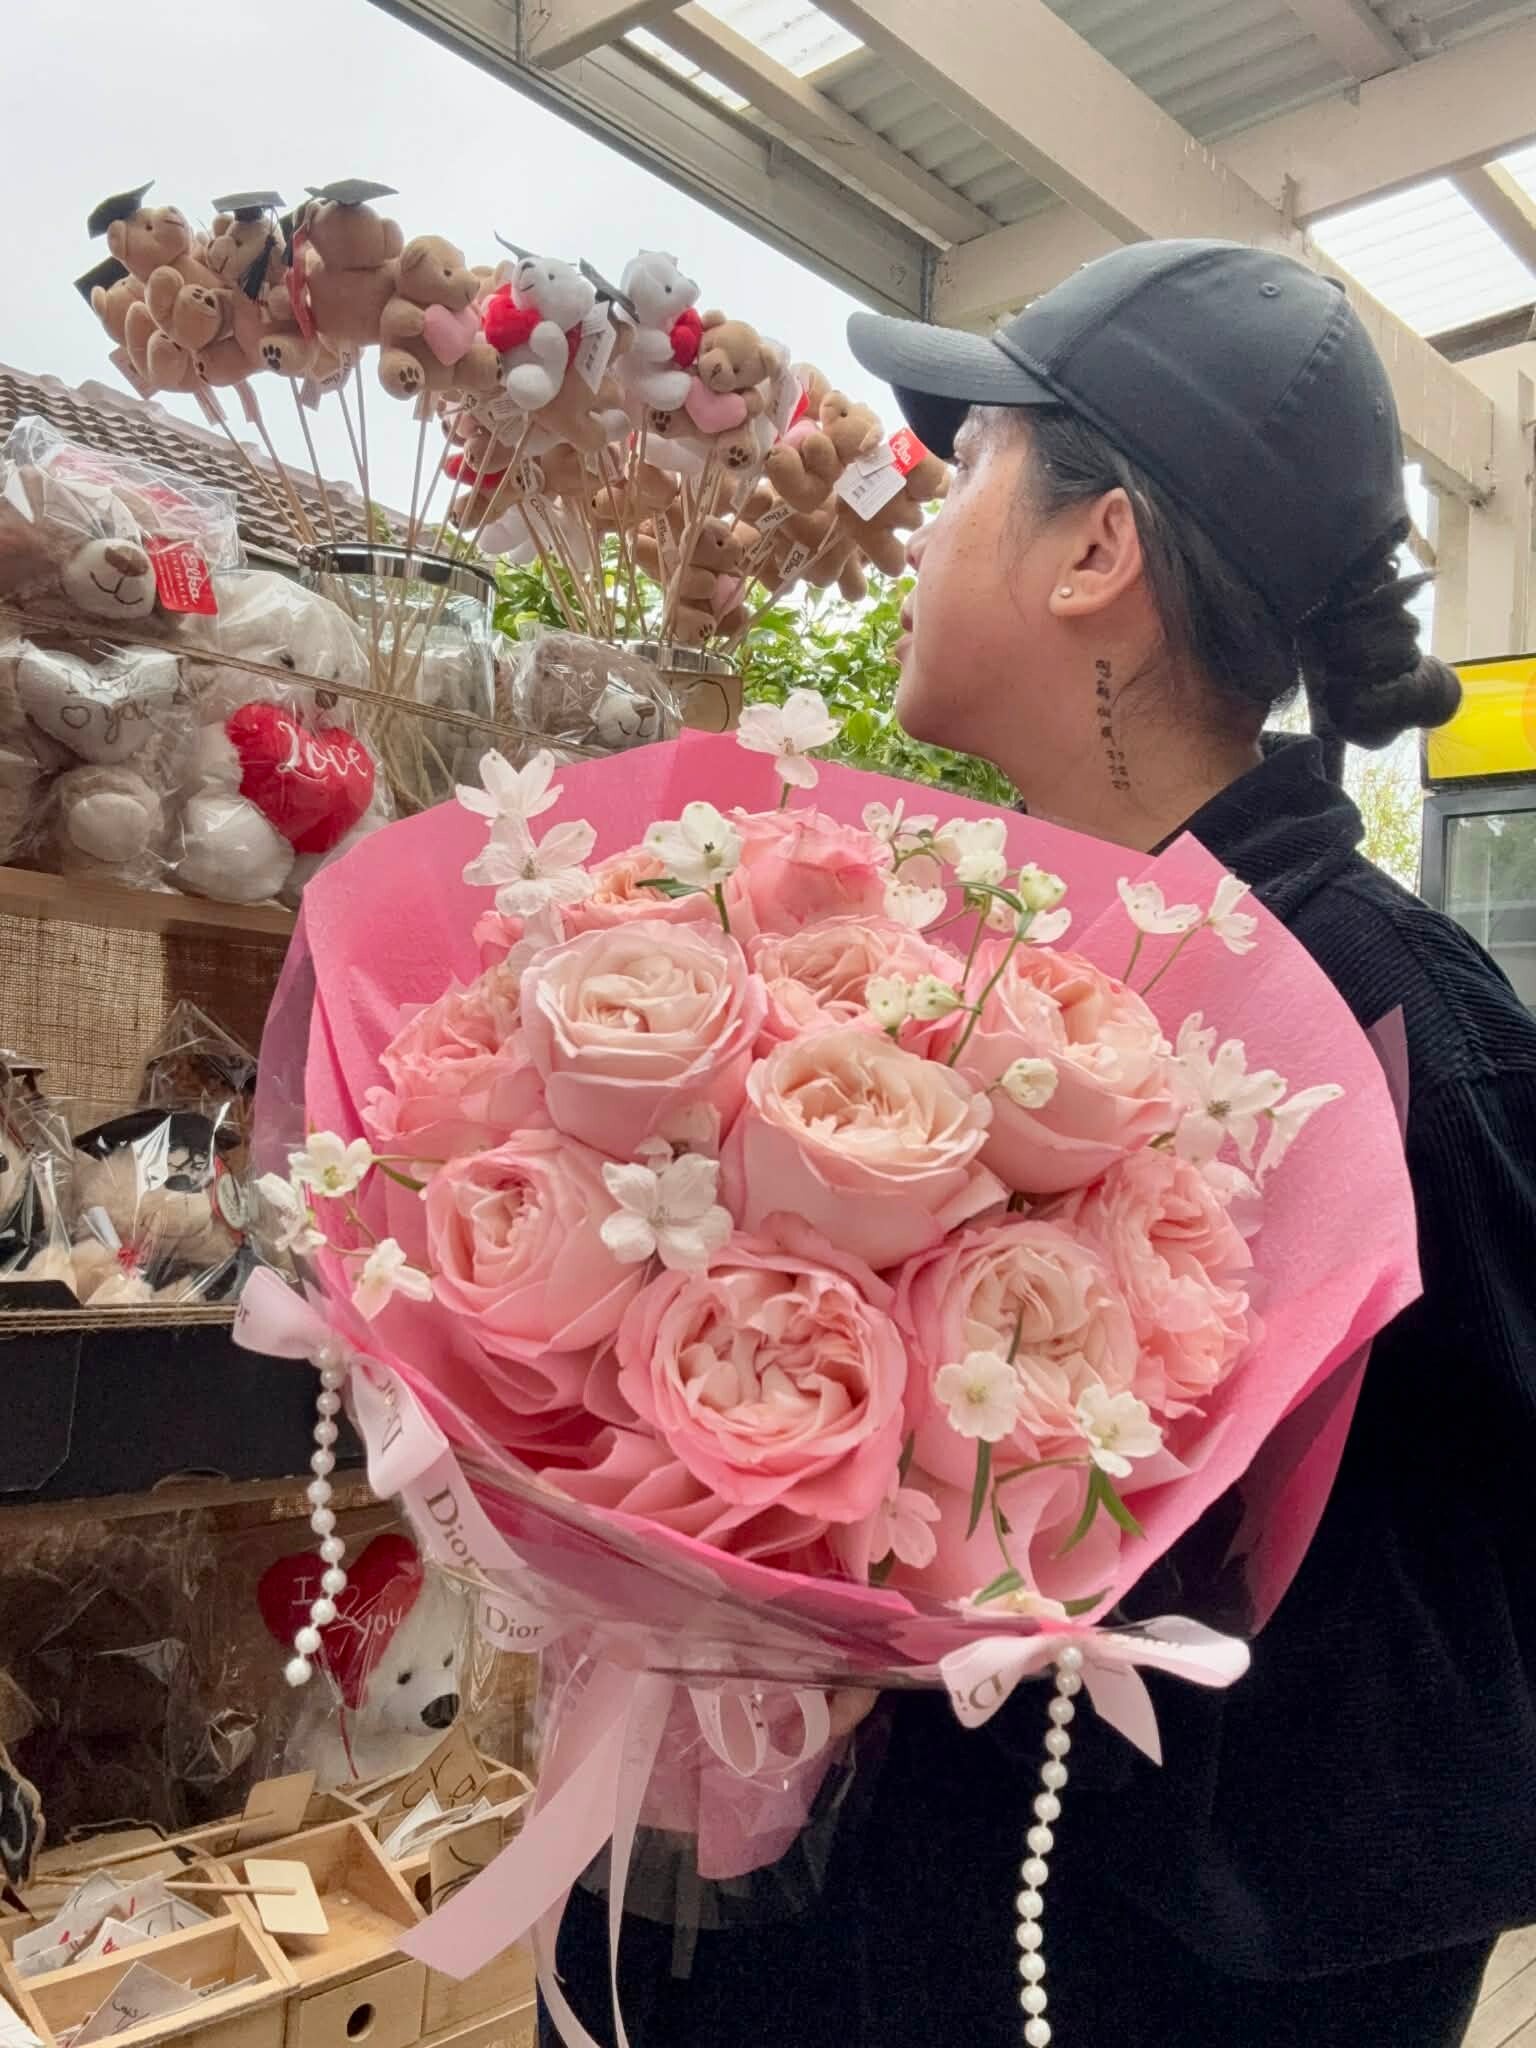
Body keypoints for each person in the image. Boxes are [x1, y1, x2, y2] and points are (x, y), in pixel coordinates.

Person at [545, 240, 1536, 2047]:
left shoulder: (1399, 1031)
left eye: (970, 465)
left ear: (1099, 554)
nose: (924, 521)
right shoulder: (934, 984)